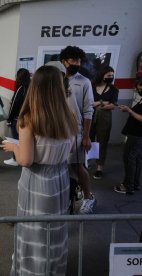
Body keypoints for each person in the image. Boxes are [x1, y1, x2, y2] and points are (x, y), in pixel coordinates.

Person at [2, 66, 78, 276]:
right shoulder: (69, 116)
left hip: (38, 181)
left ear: (35, 88)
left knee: (34, 230)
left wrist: (13, 147)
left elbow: (25, 160)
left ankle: (31, 271)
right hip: (60, 178)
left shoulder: (29, 120)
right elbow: (71, 149)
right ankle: (52, 269)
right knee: (54, 229)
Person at [60, 45, 96, 214]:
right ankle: (66, 197)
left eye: (79, 60)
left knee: (77, 166)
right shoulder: (57, 79)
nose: (77, 63)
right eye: (73, 60)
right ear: (64, 61)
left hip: (76, 132)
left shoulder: (84, 82)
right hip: (57, 131)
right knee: (59, 166)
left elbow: (89, 110)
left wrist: (86, 136)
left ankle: (89, 197)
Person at [90, 66, 119, 179]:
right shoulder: (92, 87)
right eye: (108, 75)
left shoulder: (113, 89)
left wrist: (97, 103)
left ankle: (99, 167)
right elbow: (89, 103)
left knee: (102, 142)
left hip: (105, 118)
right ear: (102, 75)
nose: (110, 78)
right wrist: (103, 102)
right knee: (88, 139)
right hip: (90, 116)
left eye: (112, 75)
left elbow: (112, 105)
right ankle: (87, 162)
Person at [115, 78, 142, 195]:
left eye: (140, 86)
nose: (138, 88)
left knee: (129, 159)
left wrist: (129, 110)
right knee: (136, 159)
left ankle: (128, 186)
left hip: (137, 135)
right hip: (135, 134)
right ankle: (134, 184)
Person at [4, 68, 31, 166]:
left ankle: (16, 159)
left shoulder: (21, 89)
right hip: (29, 119)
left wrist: (9, 119)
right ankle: (24, 157)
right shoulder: (31, 88)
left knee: (16, 140)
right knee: (25, 141)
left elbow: (14, 105)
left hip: (18, 119)